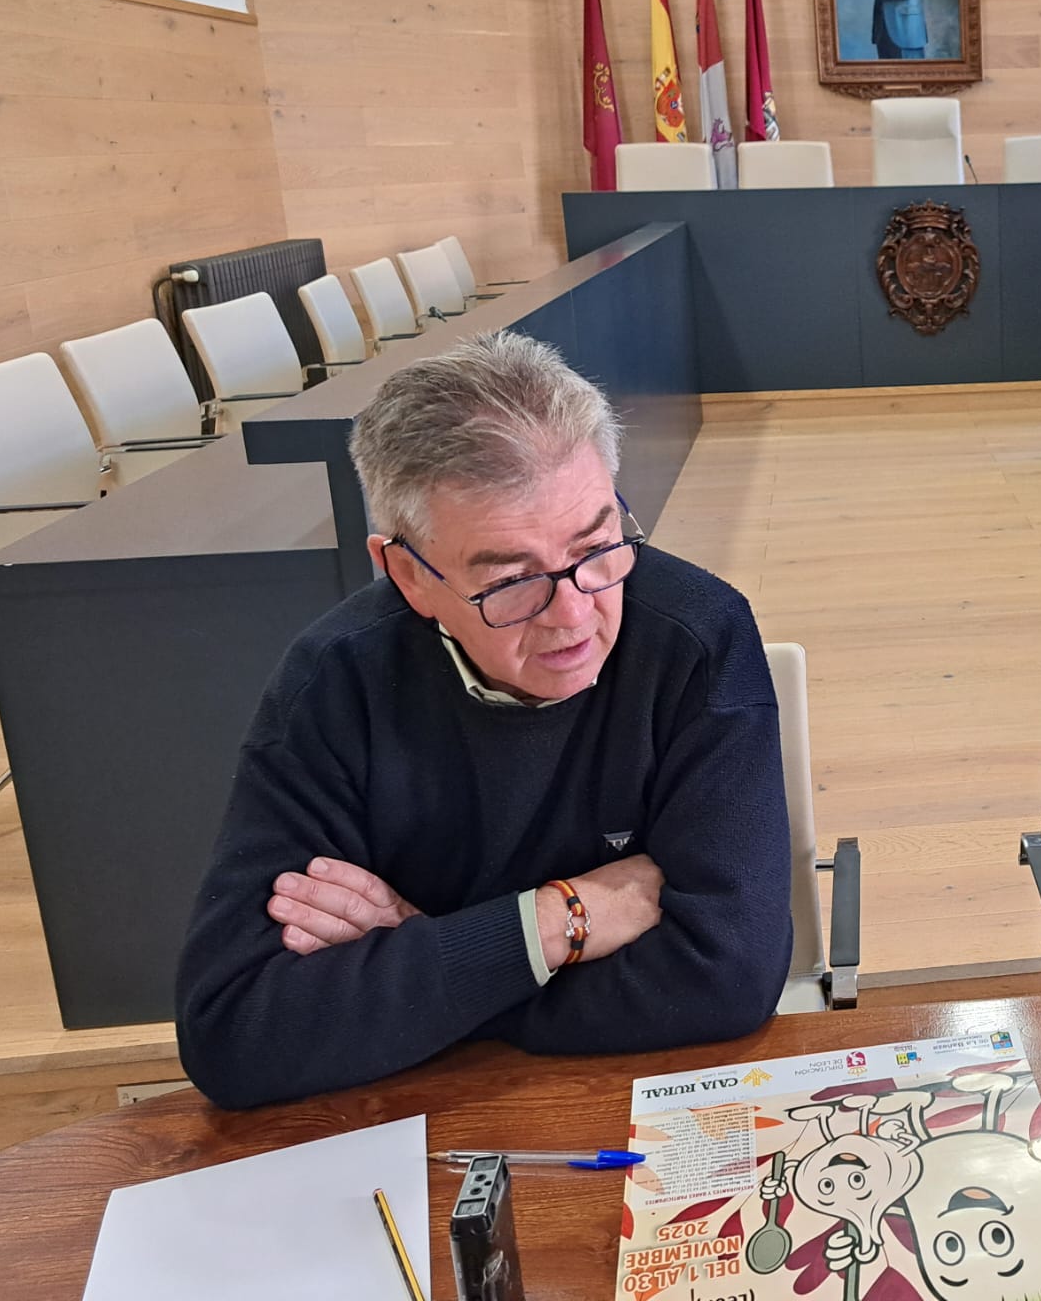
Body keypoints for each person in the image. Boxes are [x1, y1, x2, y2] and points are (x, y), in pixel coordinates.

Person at [176, 333, 792, 1109]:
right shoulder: (336, 682)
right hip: (425, 1121)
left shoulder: (697, 638)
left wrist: (433, 960)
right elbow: (235, 1031)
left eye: (597, 546)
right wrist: (557, 922)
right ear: (408, 575)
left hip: (627, 1098)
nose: (574, 613)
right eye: (511, 580)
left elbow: (726, 977)